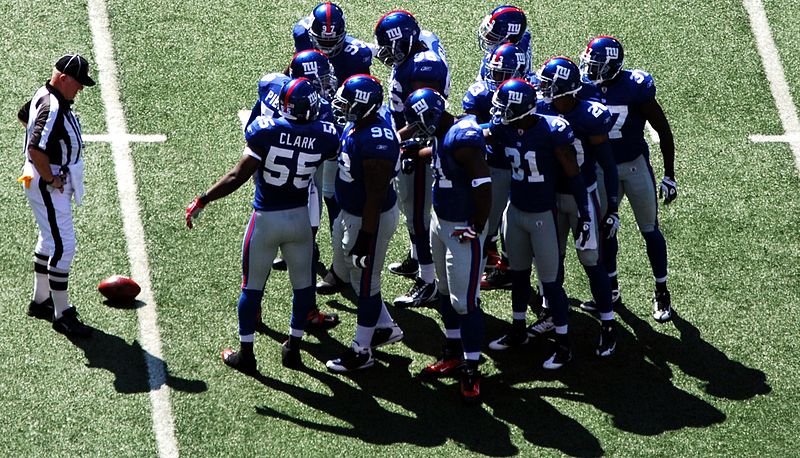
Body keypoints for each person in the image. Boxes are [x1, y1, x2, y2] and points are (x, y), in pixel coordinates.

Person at [186, 78, 340, 373]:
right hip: (299, 218)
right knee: (302, 287)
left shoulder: (265, 131)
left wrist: (203, 199)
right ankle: (293, 348)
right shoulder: (326, 135)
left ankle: (247, 355)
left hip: (266, 219)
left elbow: (236, 176)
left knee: (251, 288)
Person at [486, 78, 592, 369]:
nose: (499, 113)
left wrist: (584, 212)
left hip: (543, 217)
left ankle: (563, 344)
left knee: (551, 284)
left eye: (506, 107)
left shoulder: (552, 130)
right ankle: (518, 329)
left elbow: (573, 174)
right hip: (515, 212)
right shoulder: (502, 128)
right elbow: (478, 135)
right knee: (518, 276)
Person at [578, 36, 677, 323]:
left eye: (596, 66)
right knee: (605, 230)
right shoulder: (583, 87)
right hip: (600, 169)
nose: (589, 70)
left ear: (612, 67)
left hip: (634, 166)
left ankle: (661, 290)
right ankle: (611, 289)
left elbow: (663, 130)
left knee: (650, 229)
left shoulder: (635, 87)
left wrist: (669, 175)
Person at [403, 88, 492, 404]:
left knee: (465, 301)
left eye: (417, 121)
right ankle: (453, 352)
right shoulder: (444, 132)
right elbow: (441, 154)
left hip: (461, 229)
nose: (415, 126)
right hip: (440, 223)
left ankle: (471, 368)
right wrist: (415, 152)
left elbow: (483, 185)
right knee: (443, 291)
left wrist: (477, 227)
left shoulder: (462, 137)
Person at [245, 52, 341, 329]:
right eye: (318, 81)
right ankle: (308, 311)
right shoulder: (318, 109)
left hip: (267, 179)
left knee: (258, 253)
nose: (323, 87)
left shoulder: (271, 86)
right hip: (300, 185)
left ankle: (253, 311)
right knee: (305, 247)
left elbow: (252, 129)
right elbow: (329, 148)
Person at [533, 56, 619, 356]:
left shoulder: (588, 115)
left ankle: (608, 325)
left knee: (590, 259)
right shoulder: (541, 108)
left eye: (547, 84)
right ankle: (550, 312)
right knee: (550, 259)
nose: (542, 88)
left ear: (564, 89)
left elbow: (608, 165)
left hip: (583, 197)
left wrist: (613, 207)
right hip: (550, 198)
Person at [324, 75, 403, 373]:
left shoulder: (375, 142)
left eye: (349, 102)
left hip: (371, 218)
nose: (342, 107)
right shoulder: (362, 124)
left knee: (367, 282)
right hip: (356, 214)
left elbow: (374, 196)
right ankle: (385, 327)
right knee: (360, 279)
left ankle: (362, 351)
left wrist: (364, 239)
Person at [374, 10, 450, 308]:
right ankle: (418, 257)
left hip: (418, 144)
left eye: (390, 46)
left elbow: (424, 117)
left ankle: (428, 280)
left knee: (417, 211)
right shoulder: (422, 43)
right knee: (411, 208)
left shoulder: (423, 68)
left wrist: (395, 141)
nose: (385, 53)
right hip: (410, 135)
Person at [18, 54, 96, 338]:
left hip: (40, 178)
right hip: (48, 183)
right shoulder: (52, 107)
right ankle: (61, 314)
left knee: (49, 238)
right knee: (65, 245)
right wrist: (51, 176)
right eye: (78, 83)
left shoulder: (47, 94)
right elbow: (36, 149)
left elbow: (23, 116)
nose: (81, 89)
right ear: (63, 78)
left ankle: (40, 300)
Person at [293, 1, 373, 235]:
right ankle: (304, 241)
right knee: (303, 185)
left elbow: (364, 95)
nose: (327, 47)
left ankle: (339, 236)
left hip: (340, 121)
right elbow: (294, 70)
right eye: (323, 41)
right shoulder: (302, 36)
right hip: (308, 118)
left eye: (332, 41)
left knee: (330, 191)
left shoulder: (356, 55)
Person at [463, 42, 528, 290]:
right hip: (496, 166)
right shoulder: (480, 93)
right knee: (487, 222)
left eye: (502, 74)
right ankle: (480, 271)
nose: (495, 78)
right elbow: (469, 129)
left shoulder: (530, 92)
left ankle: (510, 268)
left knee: (518, 223)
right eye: (494, 72)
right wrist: (492, 129)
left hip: (526, 168)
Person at [475, 5, 532, 81]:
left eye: (493, 36)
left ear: (509, 40)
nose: (486, 36)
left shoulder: (509, 61)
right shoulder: (522, 36)